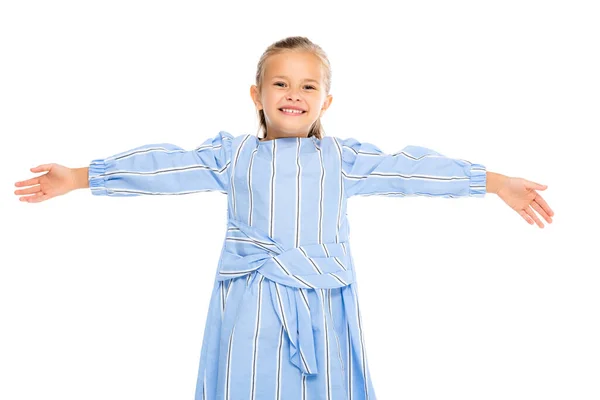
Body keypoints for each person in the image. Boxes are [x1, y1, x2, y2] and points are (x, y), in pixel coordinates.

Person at [14, 36, 554, 399]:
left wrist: (493, 181)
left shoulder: (343, 159)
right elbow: (166, 166)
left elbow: (409, 172)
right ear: (257, 94)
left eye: (308, 86)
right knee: (245, 382)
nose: (294, 94)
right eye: (281, 83)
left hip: (322, 299)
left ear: (326, 101)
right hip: (249, 298)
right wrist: (83, 176)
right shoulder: (233, 155)